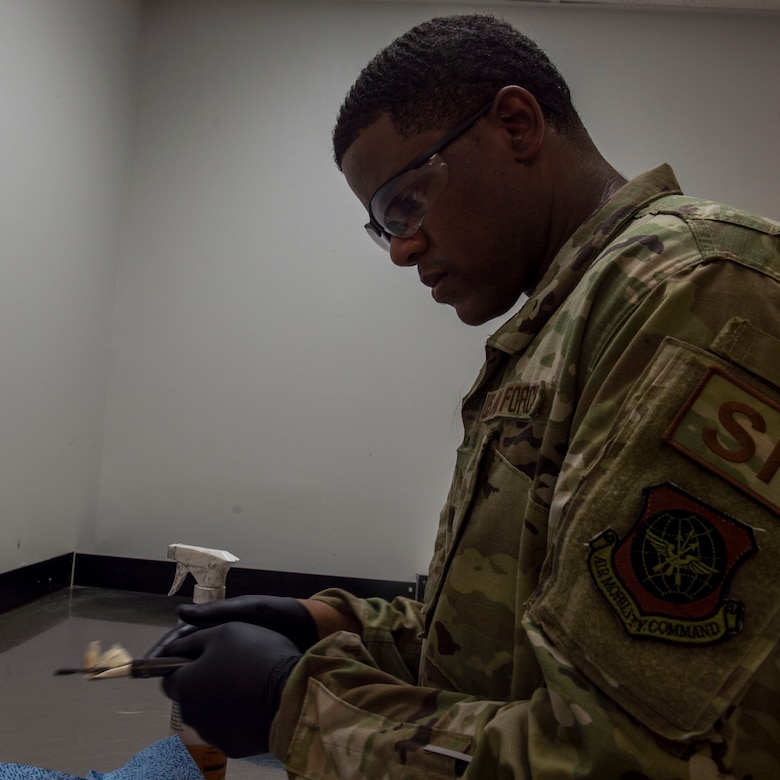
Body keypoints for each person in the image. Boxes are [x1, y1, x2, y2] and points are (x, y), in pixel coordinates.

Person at [149, 14, 780, 777]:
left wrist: (296, 700)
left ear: (515, 125)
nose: (403, 249)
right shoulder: (560, 325)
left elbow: (625, 754)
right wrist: (326, 623)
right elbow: (510, 637)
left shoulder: (698, 292)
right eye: (382, 229)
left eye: (405, 205)